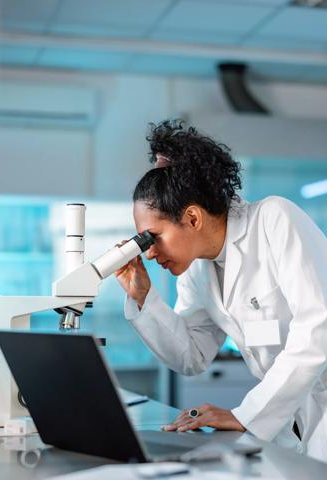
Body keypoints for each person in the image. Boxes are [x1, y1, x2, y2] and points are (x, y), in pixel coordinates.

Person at [116, 120, 327, 462]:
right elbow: (191, 355)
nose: (150, 252)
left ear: (194, 218)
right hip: (294, 418)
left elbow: (319, 329)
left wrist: (245, 415)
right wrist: (142, 297)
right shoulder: (199, 267)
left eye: (153, 237)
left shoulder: (275, 219)